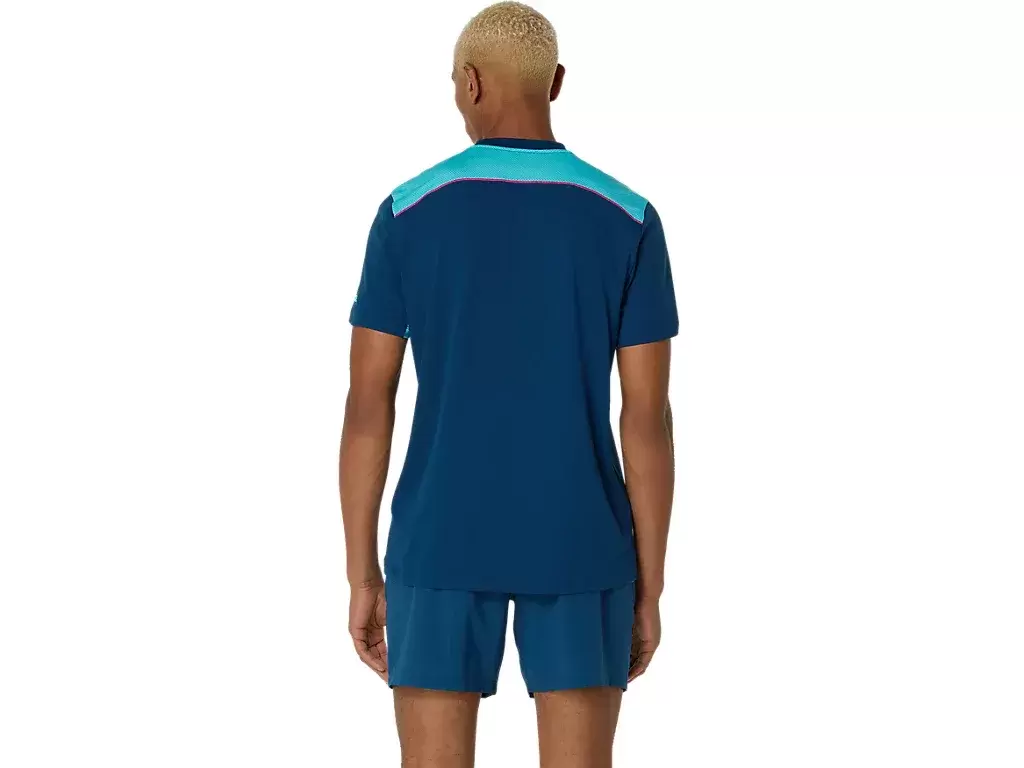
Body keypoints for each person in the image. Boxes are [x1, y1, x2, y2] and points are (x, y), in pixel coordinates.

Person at [339, 2, 677, 765]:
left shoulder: (406, 213)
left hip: (439, 539)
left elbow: (368, 407)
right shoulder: (629, 219)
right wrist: (649, 586)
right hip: (583, 542)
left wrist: (363, 572)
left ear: (469, 83)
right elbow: (646, 419)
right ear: (555, 83)